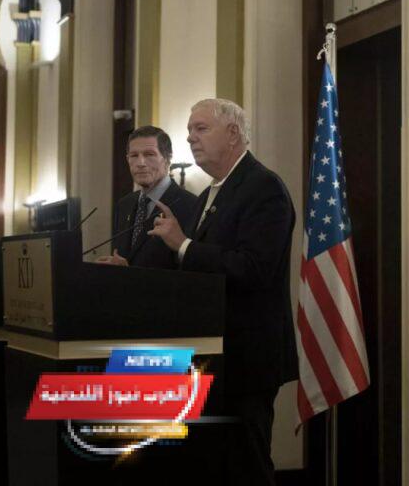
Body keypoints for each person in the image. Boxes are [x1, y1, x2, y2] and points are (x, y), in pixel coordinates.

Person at [148, 99, 298, 485]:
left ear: (233, 134)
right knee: (214, 468)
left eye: (201, 129)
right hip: (210, 356)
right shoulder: (209, 194)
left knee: (246, 468)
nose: (189, 138)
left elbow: (254, 268)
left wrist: (183, 245)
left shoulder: (264, 188)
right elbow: (196, 270)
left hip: (245, 358)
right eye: (189, 130)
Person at [96, 125, 196, 269]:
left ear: (167, 158)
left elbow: (189, 269)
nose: (140, 163)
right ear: (127, 159)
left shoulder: (191, 205)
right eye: (134, 156)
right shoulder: (124, 204)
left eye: (149, 154)